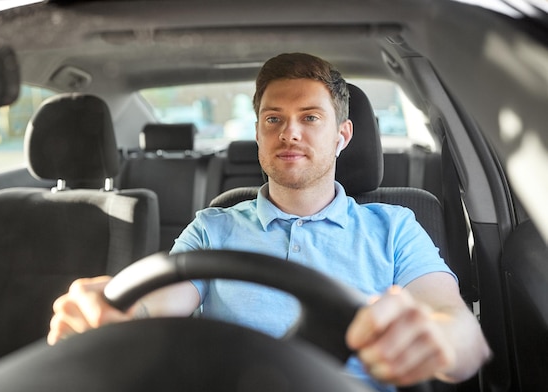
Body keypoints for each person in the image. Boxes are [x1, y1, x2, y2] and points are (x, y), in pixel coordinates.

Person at [47, 53, 490, 391]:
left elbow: (458, 327)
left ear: (343, 136)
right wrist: (113, 313)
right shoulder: (212, 228)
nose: (289, 133)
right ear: (258, 133)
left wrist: (436, 338)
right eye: (273, 119)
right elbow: (157, 305)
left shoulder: (395, 226)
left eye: (310, 118)